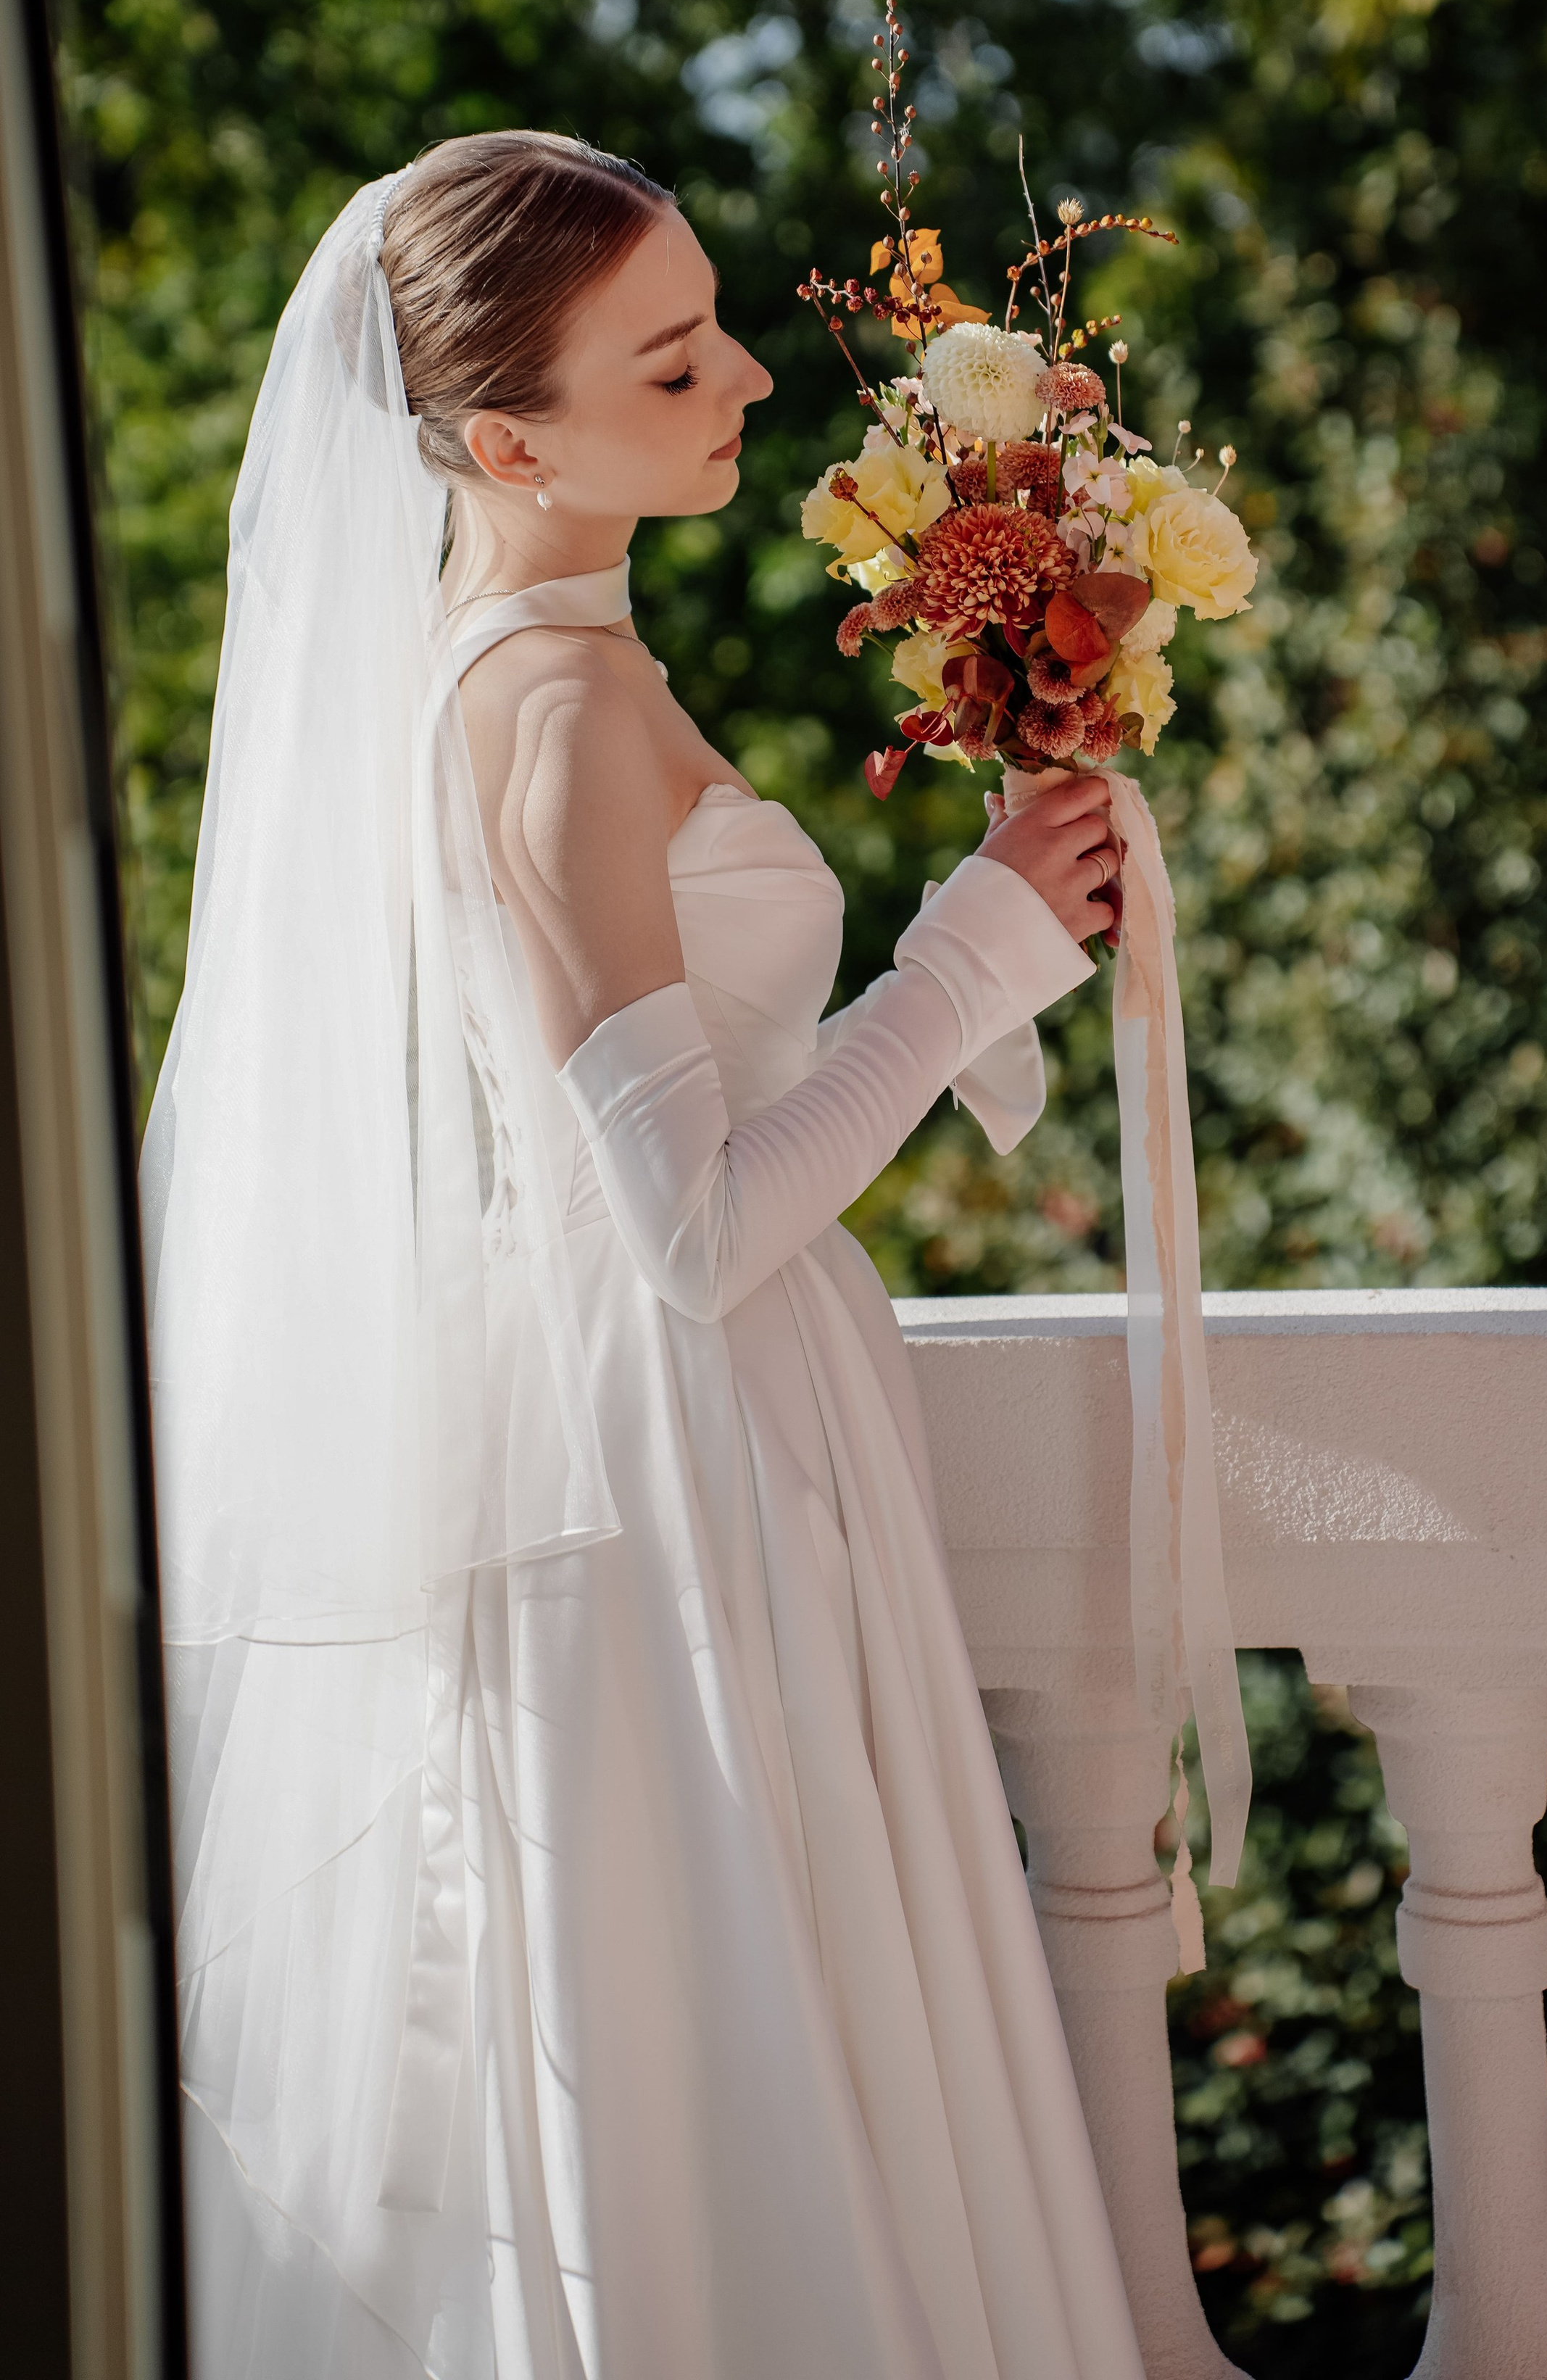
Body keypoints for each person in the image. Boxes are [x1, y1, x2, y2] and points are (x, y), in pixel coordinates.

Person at [146, 130, 1142, 2379]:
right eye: (674, 363)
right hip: (670, 1465)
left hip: (697, 1429)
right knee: (733, 2044)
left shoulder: (536, 665)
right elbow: (689, 1232)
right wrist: (970, 958)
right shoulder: (554, 711)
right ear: (505, 441)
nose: (750, 387)